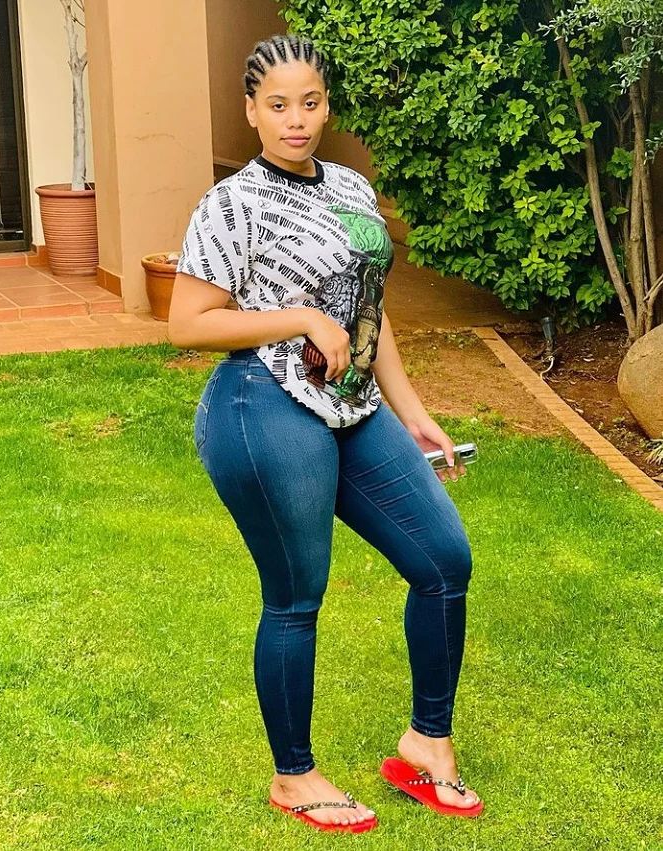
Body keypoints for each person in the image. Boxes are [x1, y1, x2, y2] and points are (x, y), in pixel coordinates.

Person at [168, 33, 483, 834]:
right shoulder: (231, 204)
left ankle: (426, 742)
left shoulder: (349, 186)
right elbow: (188, 322)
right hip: (261, 402)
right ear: (251, 111)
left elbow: (370, 311)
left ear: (327, 105)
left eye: (309, 102)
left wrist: (411, 410)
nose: (295, 119)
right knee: (297, 593)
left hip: (353, 405)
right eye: (277, 105)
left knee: (443, 560)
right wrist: (302, 316)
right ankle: (294, 776)